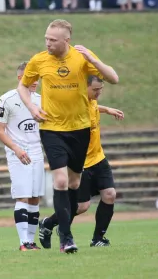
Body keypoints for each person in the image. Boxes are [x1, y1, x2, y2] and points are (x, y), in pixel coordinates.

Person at [17, 19, 119, 253]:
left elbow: (113, 78)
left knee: (73, 183)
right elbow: (24, 86)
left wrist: (94, 61)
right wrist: (33, 108)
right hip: (51, 128)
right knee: (61, 181)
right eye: (46, 38)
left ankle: (51, 226)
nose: (48, 43)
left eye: (53, 40)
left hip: (79, 129)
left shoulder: (82, 57)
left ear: (66, 40)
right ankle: (66, 238)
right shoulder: (39, 60)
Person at [39, 75, 124, 248]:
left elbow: (94, 107)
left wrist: (107, 109)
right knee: (81, 206)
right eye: (95, 89)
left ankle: (98, 238)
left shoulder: (91, 100)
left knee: (110, 195)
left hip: (98, 158)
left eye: (101, 89)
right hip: (81, 162)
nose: (98, 93)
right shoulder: (75, 105)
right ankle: (48, 223)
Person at [0, 62, 44, 251]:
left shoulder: (41, 99)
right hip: (18, 152)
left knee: (34, 198)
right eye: (30, 78)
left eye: (36, 78)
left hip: (37, 151)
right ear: (20, 78)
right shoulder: (7, 99)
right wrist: (16, 148)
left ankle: (31, 242)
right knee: (23, 196)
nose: (35, 82)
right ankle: (23, 242)